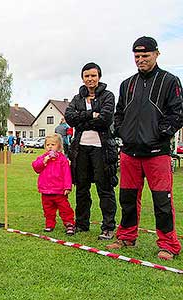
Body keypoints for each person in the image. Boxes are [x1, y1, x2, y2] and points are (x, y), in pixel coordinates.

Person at [106, 37, 183, 260]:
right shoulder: (127, 84)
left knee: (162, 201)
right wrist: (122, 131)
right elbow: (118, 113)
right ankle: (126, 236)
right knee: (127, 198)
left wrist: (160, 134)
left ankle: (168, 244)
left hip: (157, 153)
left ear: (156, 54)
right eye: (137, 56)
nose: (140, 60)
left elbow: (177, 113)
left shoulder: (170, 81)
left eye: (145, 56)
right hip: (129, 152)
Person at [65, 62, 118, 240]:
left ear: (99, 77)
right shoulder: (77, 98)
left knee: (105, 188)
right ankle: (82, 223)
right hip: (80, 149)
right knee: (81, 188)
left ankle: (108, 226)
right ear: (82, 78)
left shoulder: (108, 96)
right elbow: (70, 118)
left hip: (101, 149)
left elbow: (105, 119)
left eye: (93, 75)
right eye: (87, 76)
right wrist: (90, 115)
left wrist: (85, 118)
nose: (90, 79)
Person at [32, 134, 75, 235]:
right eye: (48, 144)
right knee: (48, 210)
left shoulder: (62, 159)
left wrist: (67, 187)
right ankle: (49, 224)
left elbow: (67, 174)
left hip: (59, 191)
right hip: (46, 190)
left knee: (65, 208)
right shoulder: (43, 157)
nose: (50, 147)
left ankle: (69, 224)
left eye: (53, 144)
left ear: (59, 146)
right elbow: (35, 167)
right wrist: (44, 161)